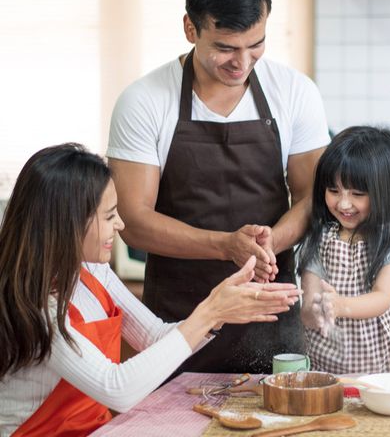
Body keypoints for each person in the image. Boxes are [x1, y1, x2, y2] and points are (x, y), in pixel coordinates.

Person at [106, 0, 330, 374]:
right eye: (225, 47)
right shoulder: (145, 100)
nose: (242, 62)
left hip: (269, 311)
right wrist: (226, 245)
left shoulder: (296, 92)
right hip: (175, 320)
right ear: (191, 29)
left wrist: (268, 246)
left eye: (255, 45)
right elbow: (133, 220)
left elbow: (312, 198)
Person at [0, 143, 301, 437]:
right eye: (109, 215)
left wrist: (219, 314)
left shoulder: (92, 270)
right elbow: (117, 389)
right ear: (69, 222)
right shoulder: (36, 303)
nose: (119, 224)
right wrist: (211, 312)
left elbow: (152, 336)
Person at [297, 126, 390, 374]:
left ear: (385, 191)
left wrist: (340, 306)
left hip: (385, 379)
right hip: (326, 378)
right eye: (333, 191)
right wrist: (315, 311)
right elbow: (309, 304)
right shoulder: (320, 234)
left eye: (357, 193)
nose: (343, 203)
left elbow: (381, 298)